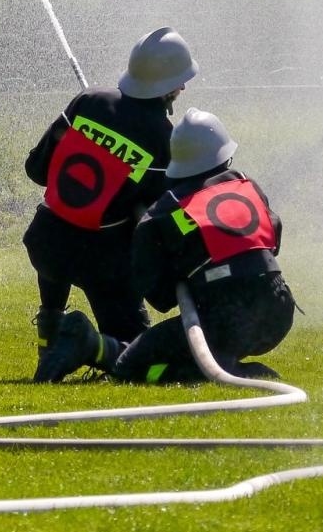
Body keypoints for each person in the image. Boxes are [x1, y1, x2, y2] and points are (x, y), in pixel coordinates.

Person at [39, 107, 296, 384]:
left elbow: (158, 297)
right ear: (223, 154)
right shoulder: (248, 186)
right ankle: (230, 367)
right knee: (197, 352)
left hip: (223, 317)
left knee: (132, 367)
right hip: (278, 308)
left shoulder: (163, 211)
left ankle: (88, 344)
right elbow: (272, 238)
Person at [24, 27, 199, 382]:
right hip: (101, 264)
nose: (183, 88)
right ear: (167, 86)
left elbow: (36, 170)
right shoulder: (164, 139)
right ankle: (85, 344)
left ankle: (50, 336)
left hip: (44, 245)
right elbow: (154, 217)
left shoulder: (87, 101)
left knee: (60, 224)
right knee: (135, 354)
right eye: (180, 81)